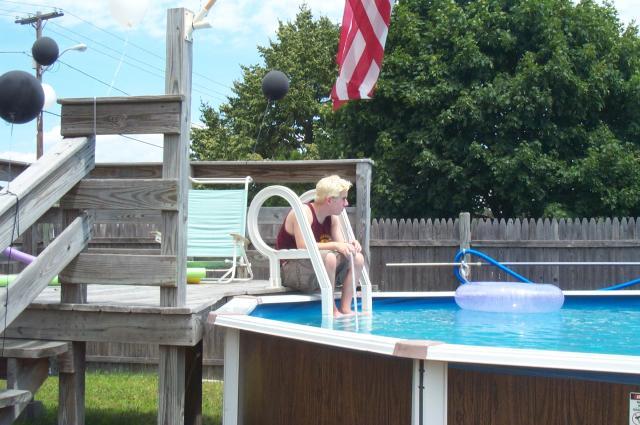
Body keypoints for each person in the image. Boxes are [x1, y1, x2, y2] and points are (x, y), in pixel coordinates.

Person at [275, 175, 364, 317]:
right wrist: (336, 245)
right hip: (292, 271)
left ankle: (345, 308)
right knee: (330, 258)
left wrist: (350, 246)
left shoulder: (333, 218)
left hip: (316, 269)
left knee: (357, 258)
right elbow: (303, 246)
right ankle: (332, 310)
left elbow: (341, 246)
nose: (346, 203)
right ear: (329, 200)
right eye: (343, 199)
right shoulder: (303, 212)